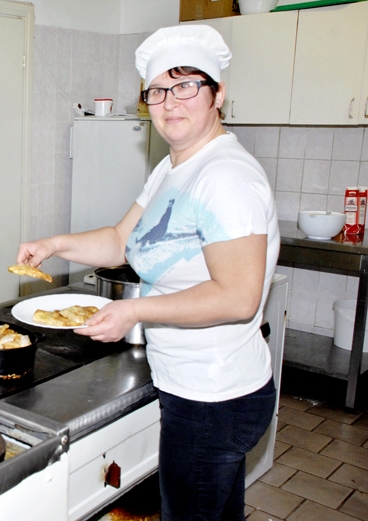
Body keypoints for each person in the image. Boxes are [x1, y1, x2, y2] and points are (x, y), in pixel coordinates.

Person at [17, 25, 279, 520]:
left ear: (218, 93)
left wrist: (132, 310)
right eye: (157, 90)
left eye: (185, 85)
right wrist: (55, 244)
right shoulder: (174, 167)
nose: (169, 102)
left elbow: (239, 296)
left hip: (214, 393)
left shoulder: (226, 176)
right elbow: (120, 240)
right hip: (190, 382)